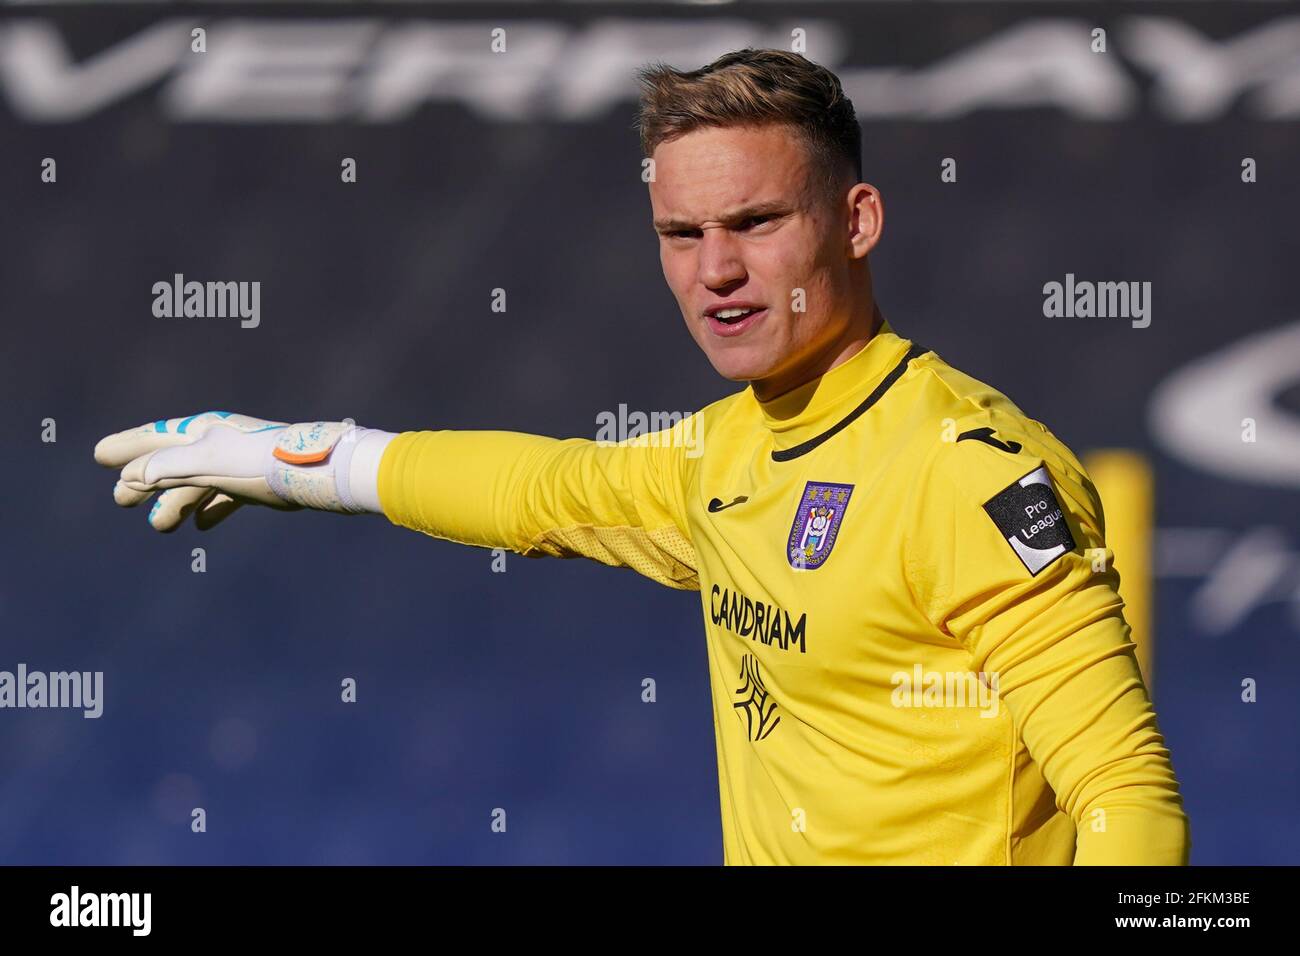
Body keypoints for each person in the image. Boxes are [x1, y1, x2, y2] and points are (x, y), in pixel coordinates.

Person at [94, 48, 1189, 865]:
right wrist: (290, 458)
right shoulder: (720, 452)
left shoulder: (965, 473)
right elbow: (534, 489)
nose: (716, 269)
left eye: (756, 222)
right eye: (682, 234)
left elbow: (1128, 797)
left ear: (855, 221)